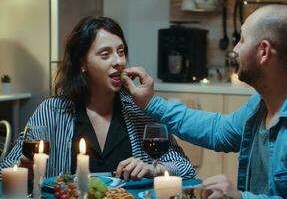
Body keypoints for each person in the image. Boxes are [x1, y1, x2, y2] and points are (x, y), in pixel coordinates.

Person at [122, 5, 287, 199]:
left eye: (242, 40)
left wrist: (242, 198)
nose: (234, 49)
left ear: (263, 52)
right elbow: (216, 130)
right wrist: (151, 102)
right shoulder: (260, 106)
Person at [0, 16, 196, 180]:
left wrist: (155, 170)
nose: (119, 62)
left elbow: (186, 168)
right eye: (105, 54)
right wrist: (22, 170)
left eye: (121, 52)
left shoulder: (139, 110)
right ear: (82, 63)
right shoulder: (52, 111)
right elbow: (5, 170)